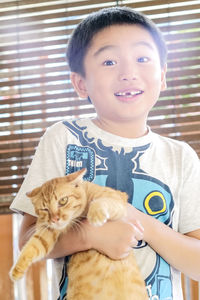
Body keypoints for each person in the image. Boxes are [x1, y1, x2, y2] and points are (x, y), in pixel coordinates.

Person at [10, 6, 200, 300]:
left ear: (162, 75)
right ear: (80, 83)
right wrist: (90, 235)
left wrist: (134, 219)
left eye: (142, 58)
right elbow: (28, 238)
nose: (128, 73)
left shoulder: (181, 156)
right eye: (109, 61)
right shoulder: (64, 138)